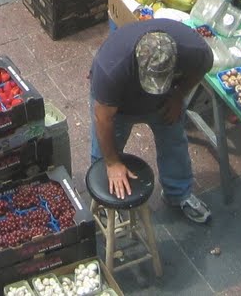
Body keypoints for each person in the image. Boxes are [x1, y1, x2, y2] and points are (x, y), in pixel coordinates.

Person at [89, 21, 213, 226]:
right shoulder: (111, 68)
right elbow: (103, 119)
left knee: (174, 143)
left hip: (165, 101)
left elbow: (202, 67)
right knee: (103, 152)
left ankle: (179, 193)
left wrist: (179, 95)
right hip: (120, 107)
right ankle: (104, 199)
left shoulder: (194, 50)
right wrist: (112, 163)